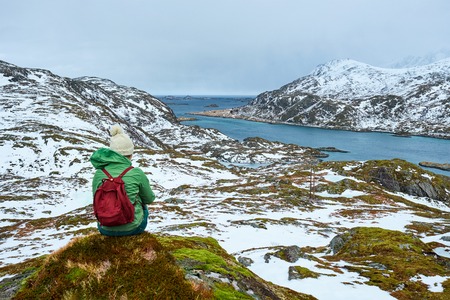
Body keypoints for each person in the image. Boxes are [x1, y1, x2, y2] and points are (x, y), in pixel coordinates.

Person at [90, 124, 155, 236]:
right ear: (130, 154)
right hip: (133, 228)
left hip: (105, 228)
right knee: (142, 203)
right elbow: (149, 198)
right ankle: (130, 226)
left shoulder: (99, 173)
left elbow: (96, 198)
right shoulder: (136, 173)